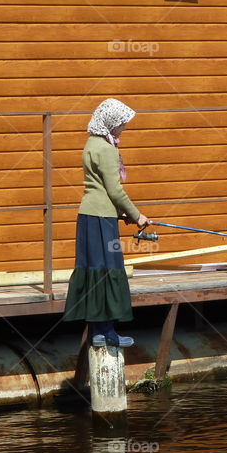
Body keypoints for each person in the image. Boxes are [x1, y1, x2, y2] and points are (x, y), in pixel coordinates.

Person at [63, 98, 149, 347]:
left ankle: (97, 332)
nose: (125, 127)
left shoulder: (91, 143)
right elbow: (114, 189)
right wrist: (137, 215)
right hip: (102, 218)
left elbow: (99, 187)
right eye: (122, 123)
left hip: (88, 215)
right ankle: (108, 333)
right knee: (109, 269)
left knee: (94, 270)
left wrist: (119, 213)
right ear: (112, 123)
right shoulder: (107, 149)